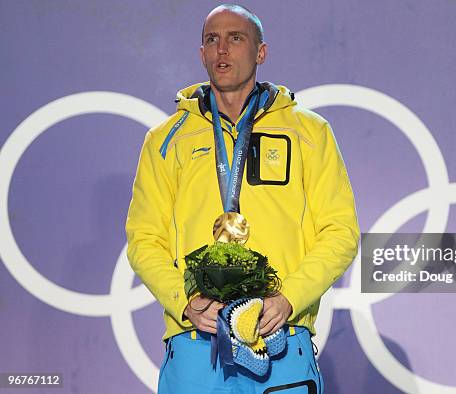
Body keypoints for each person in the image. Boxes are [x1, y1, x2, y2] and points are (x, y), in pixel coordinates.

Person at [125, 4, 359, 393]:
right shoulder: (166, 140)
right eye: (211, 40)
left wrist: (289, 298)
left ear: (260, 52)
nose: (222, 50)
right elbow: (144, 239)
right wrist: (184, 301)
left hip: (280, 337)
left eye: (236, 38)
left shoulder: (309, 132)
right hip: (196, 343)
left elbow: (340, 232)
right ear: (201, 54)